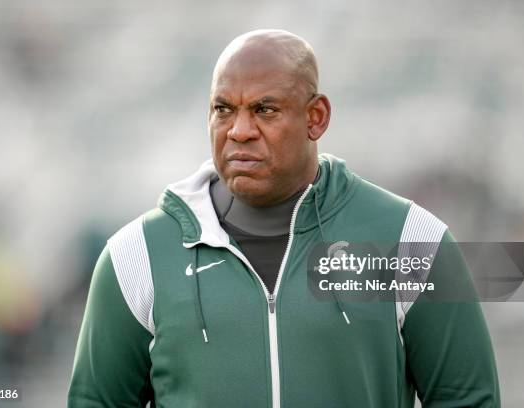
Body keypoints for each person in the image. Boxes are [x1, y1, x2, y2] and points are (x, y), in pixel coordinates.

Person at [68, 29, 500, 407]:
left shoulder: (412, 240)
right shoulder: (135, 256)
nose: (239, 130)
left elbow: (467, 400)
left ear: (316, 117)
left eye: (264, 110)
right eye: (223, 109)